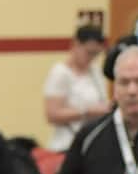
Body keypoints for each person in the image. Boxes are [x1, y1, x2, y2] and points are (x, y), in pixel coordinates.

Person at [42, 26, 112, 154]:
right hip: (66, 145)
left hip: (92, 143)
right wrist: (86, 111)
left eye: (96, 53)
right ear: (75, 45)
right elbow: (52, 114)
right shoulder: (60, 73)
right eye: (89, 52)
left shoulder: (95, 71)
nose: (92, 57)